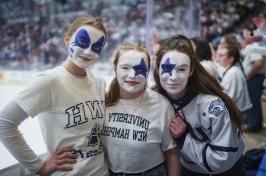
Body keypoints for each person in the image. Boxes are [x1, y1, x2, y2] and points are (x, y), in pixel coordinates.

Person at [0, 16, 109, 176]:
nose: (88, 52)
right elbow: (4, 123)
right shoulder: (50, 81)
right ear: (67, 39)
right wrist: (38, 166)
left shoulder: (98, 83)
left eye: (96, 47)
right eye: (83, 42)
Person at [153, 35, 245, 176]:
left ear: (191, 71)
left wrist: (183, 138)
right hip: (187, 168)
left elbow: (221, 160)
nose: (173, 77)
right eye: (166, 68)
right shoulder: (156, 98)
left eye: (182, 69)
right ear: (157, 68)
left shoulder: (213, 106)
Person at [102, 42, 180, 176]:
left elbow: (172, 153)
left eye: (140, 69)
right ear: (115, 68)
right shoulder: (103, 101)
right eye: (125, 68)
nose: (132, 75)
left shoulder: (161, 105)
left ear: (148, 70)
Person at [217, 45, 252, 114]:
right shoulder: (232, 70)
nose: (218, 59)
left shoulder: (233, 73)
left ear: (231, 59)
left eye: (222, 56)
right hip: (236, 111)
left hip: (236, 113)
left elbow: (227, 98)